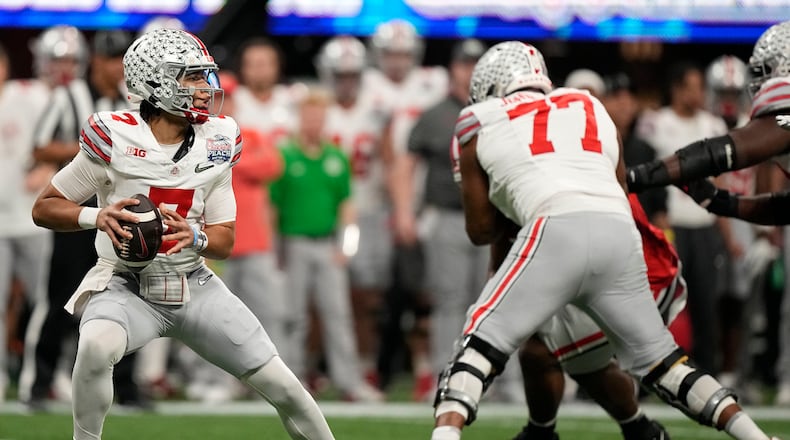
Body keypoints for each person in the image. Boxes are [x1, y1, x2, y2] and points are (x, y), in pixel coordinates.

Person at [430, 41, 778, 440]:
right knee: (665, 365)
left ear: (490, 88)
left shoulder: (477, 118)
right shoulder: (588, 104)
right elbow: (616, 188)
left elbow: (480, 231)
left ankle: (447, 434)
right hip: (617, 231)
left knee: (477, 347)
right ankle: (756, 437)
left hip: (553, 229)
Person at [30, 28, 335, 440]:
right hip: (125, 285)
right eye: (191, 77)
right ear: (155, 82)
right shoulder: (114, 137)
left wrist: (196, 238)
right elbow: (44, 207)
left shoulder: (219, 141)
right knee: (96, 346)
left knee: (285, 386)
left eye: (203, 76)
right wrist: (97, 216)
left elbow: (225, 239)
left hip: (195, 286)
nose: (205, 88)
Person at [20, 28, 147, 411]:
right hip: (78, 214)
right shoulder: (69, 95)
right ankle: (38, 383)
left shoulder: (133, 100)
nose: (118, 70)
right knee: (60, 298)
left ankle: (127, 386)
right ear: (96, 62)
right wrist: (92, 150)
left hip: (120, 214)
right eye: (113, 61)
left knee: (128, 297)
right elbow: (40, 146)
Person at [508, 194, 685, 440]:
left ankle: (645, 429)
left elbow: (481, 230)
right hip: (606, 255)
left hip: (623, 264)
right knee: (558, 355)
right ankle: (643, 430)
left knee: (558, 354)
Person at [390, 38, 493, 402]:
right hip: (447, 217)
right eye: (464, 64)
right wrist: (404, 211)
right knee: (449, 301)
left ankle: (487, 380)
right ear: (453, 68)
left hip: (492, 220)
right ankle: (444, 377)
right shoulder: (435, 114)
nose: (469, 71)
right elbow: (406, 164)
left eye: (475, 65)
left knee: (490, 301)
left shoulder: (497, 110)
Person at [270, 88, 384, 402]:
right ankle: (290, 381)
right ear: (300, 118)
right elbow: (273, 206)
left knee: (338, 314)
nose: (313, 123)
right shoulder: (285, 155)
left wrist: (346, 246)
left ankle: (349, 382)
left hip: (327, 243)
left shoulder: (336, 157)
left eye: (319, 117)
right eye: (309, 117)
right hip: (293, 243)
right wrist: (273, 249)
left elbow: (347, 204)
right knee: (292, 316)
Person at [316, 36, 394, 387]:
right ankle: (315, 368)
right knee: (317, 299)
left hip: (366, 210)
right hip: (323, 214)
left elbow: (389, 161)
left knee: (364, 295)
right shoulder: (316, 107)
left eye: (352, 75)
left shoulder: (376, 108)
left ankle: (362, 364)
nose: (346, 81)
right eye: (340, 75)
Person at [0, 43, 53, 403]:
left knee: (48, 301)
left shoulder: (28, 95)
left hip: (32, 218)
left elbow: (66, 127)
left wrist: (50, 168)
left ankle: (54, 372)